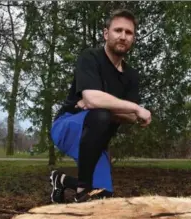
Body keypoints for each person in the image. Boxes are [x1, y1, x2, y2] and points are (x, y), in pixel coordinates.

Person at [49, 8, 152, 203]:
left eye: (128, 32)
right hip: (68, 125)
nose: (123, 36)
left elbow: (130, 118)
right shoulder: (90, 57)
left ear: (133, 39)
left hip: (95, 137)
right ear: (106, 34)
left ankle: (61, 180)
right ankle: (81, 192)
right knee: (101, 115)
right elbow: (94, 99)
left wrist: (101, 104)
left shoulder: (131, 76)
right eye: (118, 30)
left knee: (104, 195)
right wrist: (133, 108)